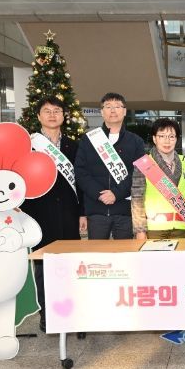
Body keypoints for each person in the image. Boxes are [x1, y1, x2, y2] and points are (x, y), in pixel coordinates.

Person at [20, 97, 87, 332]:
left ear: (64, 116)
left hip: (69, 213)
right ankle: (47, 314)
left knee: (70, 264)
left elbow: (81, 182)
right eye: (46, 111)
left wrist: (82, 213)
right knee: (43, 266)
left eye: (57, 110)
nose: (52, 115)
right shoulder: (29, 146)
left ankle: (72, 312)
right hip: (39, 214)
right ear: (38, 116)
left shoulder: (74, 146)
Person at [75, 92, 145, 239]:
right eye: (108, 106)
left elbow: (138, 174)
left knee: (124, 252)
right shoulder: (89, 140)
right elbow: (81, 172)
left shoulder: (136, 141)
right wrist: (99, 194)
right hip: (97, 210)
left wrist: (116, 194)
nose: (113, 110)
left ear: (124, 111)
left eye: (117, 106)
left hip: (125, 211)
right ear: (102, 112)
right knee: (97, 252)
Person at [131, 118, 185, 239]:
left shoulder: (184, 163)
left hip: (181, 226)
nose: (167, 141)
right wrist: (140, 230)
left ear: (176, 139)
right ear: (154, 139)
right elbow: (137, 199)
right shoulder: (144, 164)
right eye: (161, 136)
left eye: (171, 136)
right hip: (154, 229)